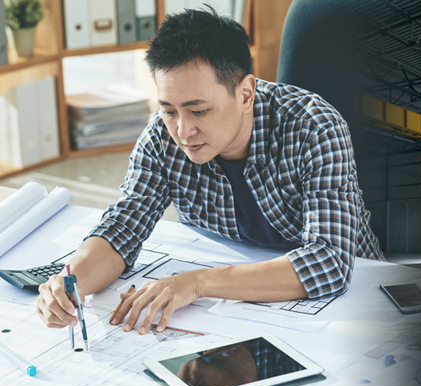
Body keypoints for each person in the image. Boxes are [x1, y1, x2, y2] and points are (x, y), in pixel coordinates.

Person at [35, 7, 384, 335]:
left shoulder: (313, 126)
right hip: (232, 307)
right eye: (169, 110)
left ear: (245, 93)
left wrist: (196, 282)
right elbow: (123, 226)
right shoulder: (162, 134)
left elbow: (330, 264)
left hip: (351, 304)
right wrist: (71, 282)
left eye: (198, 111)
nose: (183, 131)